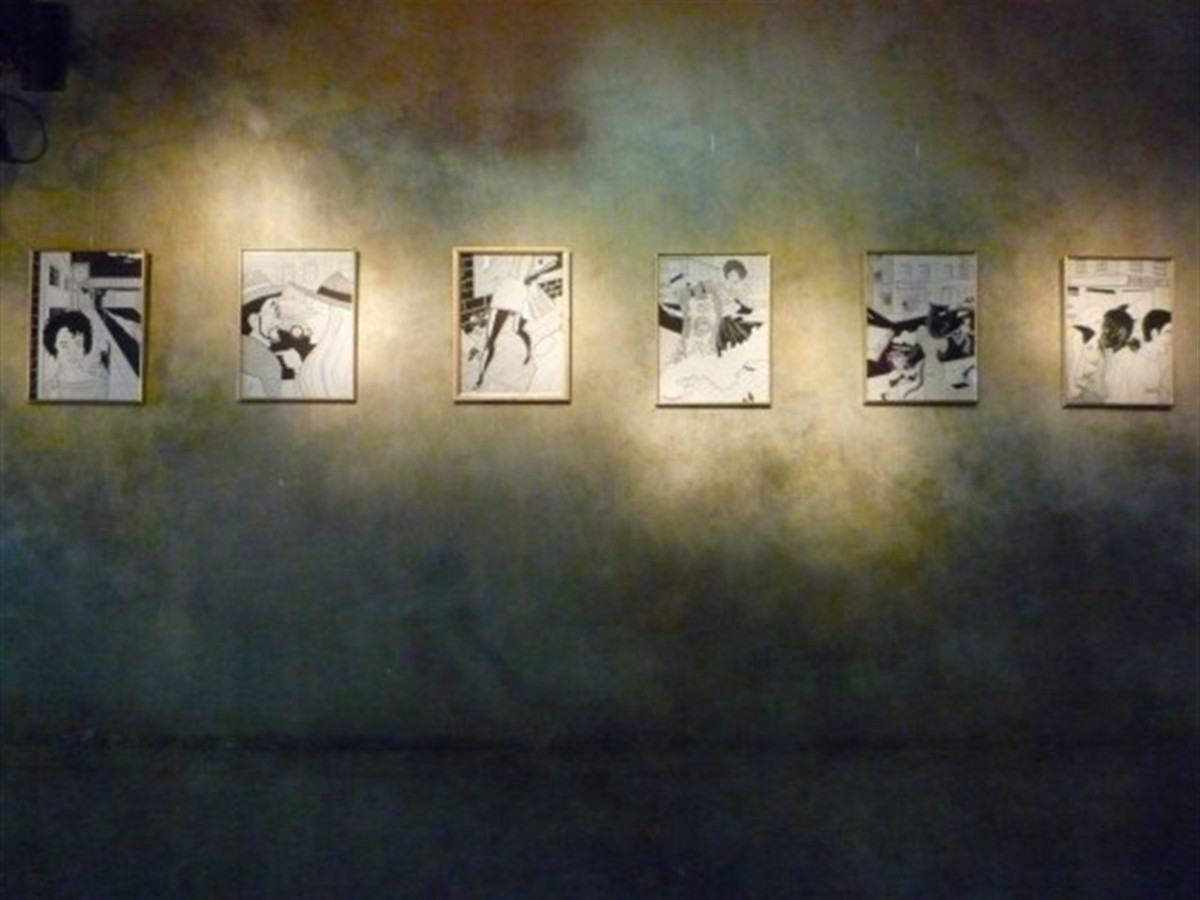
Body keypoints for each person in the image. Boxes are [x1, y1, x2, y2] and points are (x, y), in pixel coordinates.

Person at [41, 310, 109, 400]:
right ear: (53, 346)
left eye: (78, 344)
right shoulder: (49, 388)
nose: (72, 352)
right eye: (64, 345)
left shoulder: (99, 387)